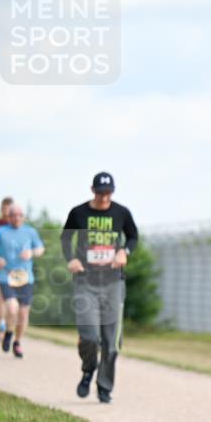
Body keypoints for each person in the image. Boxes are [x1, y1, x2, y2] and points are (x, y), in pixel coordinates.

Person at [60, 172, 139, 404]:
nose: (104, 198)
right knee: (89, 336)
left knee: (111, 340)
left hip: (113, 282)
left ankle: (104, 387)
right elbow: (66, 238)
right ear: (92, 190)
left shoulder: (121, 213)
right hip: (86, 281)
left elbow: (133, 236)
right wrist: (70, 259)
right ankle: (88, 369)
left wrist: (125, 251)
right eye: (100, 193)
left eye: (108, 193)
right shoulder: (79, 213)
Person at [0, 205, 45, 358]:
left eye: (20, 215)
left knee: (23, 314)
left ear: (23, 216)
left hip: (26, 278)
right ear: (9, 217)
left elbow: (40, 249)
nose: (17, 217)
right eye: (14, 215)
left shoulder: (30, 231)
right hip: (7, 276)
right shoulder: (1, 231)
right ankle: (8, 331)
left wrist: (31, 252)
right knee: (12, 308)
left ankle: (17, 342)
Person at [0, 197, 15, 337]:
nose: (8, 211)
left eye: (10, 208)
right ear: (1, 209)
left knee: (13, 298)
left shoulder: (17, 224)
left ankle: (8, 326)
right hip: (0, 264)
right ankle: (1, 325)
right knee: (2, 294)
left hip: (16, 265)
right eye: (6, 208)